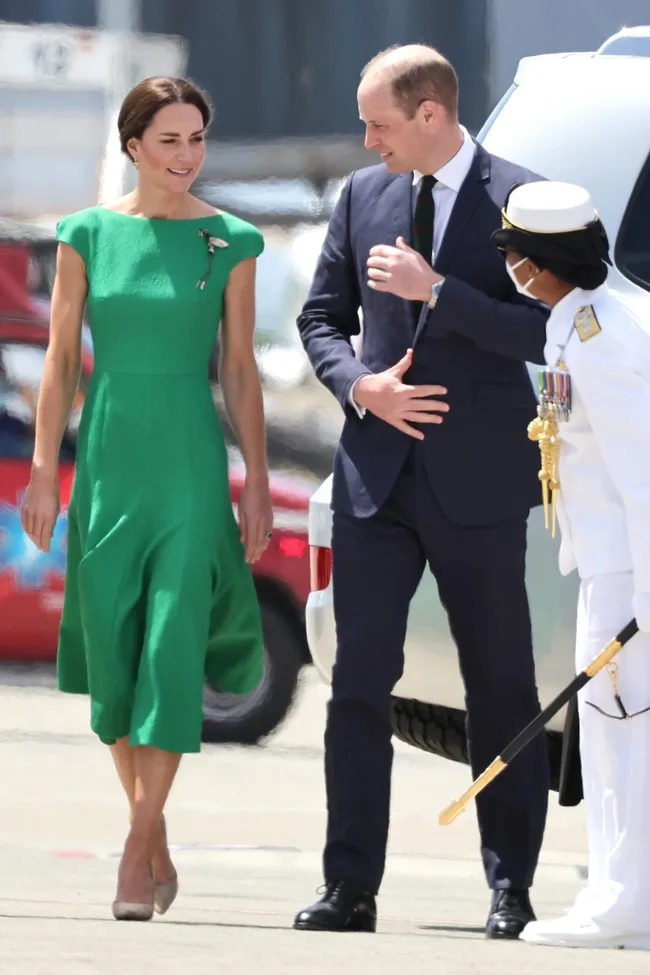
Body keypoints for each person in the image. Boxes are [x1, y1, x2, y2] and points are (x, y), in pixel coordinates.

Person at [293, 43, 551, 938]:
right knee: (357, 685)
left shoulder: (521, 199)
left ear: (432, 112)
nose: (368, 140)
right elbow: (321, 318)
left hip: (479, 482)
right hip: (375, 479)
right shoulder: (363, 197)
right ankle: (349, 886)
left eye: (381, 122)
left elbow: (546, 330)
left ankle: (511, 888)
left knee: (501, 688)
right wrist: (360, 385)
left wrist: (437, 290)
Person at [20, 76, 272, 921]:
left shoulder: (230, 241)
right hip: (106, 463)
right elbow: (57, 362)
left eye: (196, 137)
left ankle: (134, 849)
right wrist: (43, 472)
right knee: (117, 655)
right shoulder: (86, 234)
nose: (186, 154)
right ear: (132, 146)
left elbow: (239, 369)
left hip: (192, 470)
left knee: (170, 647)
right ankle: (153, 829)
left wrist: (260, 485)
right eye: (169, 139)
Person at [492, 180, 650, 951]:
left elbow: (642, 471)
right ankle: (618, 889)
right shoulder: (576, 324)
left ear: (536, 262)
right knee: (610, 730)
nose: (513, 267)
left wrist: (646, 597)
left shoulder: (603, 337)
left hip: (632, 574)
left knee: (624, 732)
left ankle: (623, 902)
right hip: (608, 564)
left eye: (517, 254)